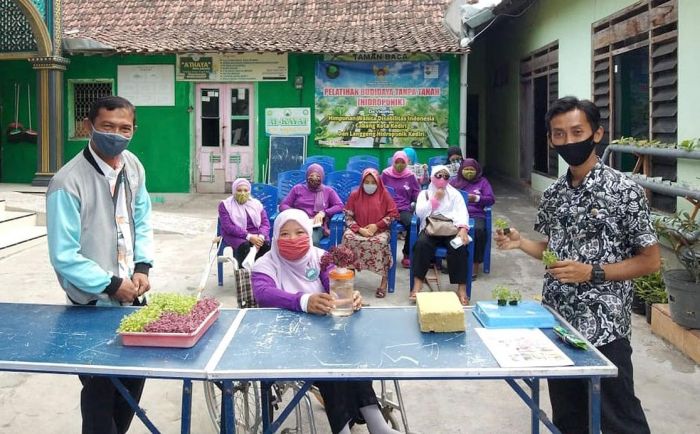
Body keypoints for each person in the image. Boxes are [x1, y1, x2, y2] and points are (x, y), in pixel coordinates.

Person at [494, 96, 660, 434]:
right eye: (559, 135)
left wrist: (594, 272)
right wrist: (521, 242)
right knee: (569, 419)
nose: (568, 141)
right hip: (558, 324)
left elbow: (651, 261)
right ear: (550, 140)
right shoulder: (555, 193)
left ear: (596, 134)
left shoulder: (624, 190)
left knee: (620, 419)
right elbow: (554, 251)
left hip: (605, 328)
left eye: (576, 132)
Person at [46, 95, 154, 434]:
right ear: (88, 127)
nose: (116, 134)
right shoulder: (67, 182)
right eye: (107, 126)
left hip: (132, 302)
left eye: (125, 128)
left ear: (134, 130)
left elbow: (142, 218)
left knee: (132, 388)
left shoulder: (133, 166)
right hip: (91, 307)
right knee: (99, 395)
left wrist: (142, 267)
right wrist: (111, 284)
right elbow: (64, 255)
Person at [252, 209, 401, 434]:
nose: (292, 239)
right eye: (285, 234)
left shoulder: (320, 257)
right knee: (329, 366)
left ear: (309, 232)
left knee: (351, 353)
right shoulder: (265, 264)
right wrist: (304, 301)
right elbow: (263, 293)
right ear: (275, 236)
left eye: (299, 232)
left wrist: (349, 296)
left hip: (323, 335)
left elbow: (334, 280)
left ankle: (378, 425)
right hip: (285, 340)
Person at [410, 165, 471, 305]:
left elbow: (462, 213)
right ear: (432, 177)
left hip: (451, 228)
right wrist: (435, 199)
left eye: (445, 176)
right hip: (431, 227)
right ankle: (417, 286)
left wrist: (463, 229)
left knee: (459, 248)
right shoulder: (424, 193)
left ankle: (462, 289)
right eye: (439, 176)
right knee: (421, 245)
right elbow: (419, 213)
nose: (442, 179)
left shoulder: (455, 194)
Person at [343, 168, 399, 298]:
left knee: (380, 242)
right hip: (358, 230)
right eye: (366, 182)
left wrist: (376, 226)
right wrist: (359, 229)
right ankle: (348, 279)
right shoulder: (355, 195)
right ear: (362, 182)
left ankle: (383, 282)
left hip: (379, 231)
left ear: (378, 182)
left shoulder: (384, 195)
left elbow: (393, 214)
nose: (369, 185)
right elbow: (348, 217)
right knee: (347, 238)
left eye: (372, 182)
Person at [450, 158, 495, 278]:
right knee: (447, 230)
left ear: (477, 170)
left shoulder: (483, 182)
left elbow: (491, 199)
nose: (469, 172)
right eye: (466, 169)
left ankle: (474, 264)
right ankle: (453, 262)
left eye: (472, 169)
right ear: (461, 170)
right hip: (457, 215)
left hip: (476, 214)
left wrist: (476, 198)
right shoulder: (454, 182)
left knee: (479, 231)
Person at [279, 163, 343, 247]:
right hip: (298, 223)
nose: (314, 178)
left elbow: (340, 206)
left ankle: (312, 260)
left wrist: (323, 213)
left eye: (318, 176)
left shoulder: (328, 191)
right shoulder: (297, 189)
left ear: (322, 177)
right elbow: (283, 205)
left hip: (316, 226)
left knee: (311, 241)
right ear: (307, 176)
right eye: (311, 175)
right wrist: (296, 213)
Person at [218, 177, 271, 266]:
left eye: (246, 190)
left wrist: (261, 237)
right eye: (239, 190)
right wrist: (249, 237)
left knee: (265, 245)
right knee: (244, 246)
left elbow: (265, 223)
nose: (243, 193)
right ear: (234, 191)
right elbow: (228, 227)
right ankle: (242, 274)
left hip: (256, 233)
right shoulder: (225, 205)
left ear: (249, 191)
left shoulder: (256, 204)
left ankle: (258, 273)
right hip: (234, 234)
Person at [381, 150, 420, 268]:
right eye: (397, 162)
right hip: (386, 209)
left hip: (403, 209)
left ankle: (407, 254)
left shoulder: (411, 176)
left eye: (402, 162)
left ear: (406, 162)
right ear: (393, 162)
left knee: (414, 224)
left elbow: (416, 193)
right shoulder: (385, 174)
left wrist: (422, 197)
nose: (399, 165)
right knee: (378, 225)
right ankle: (382, 253)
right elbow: (378, 190)